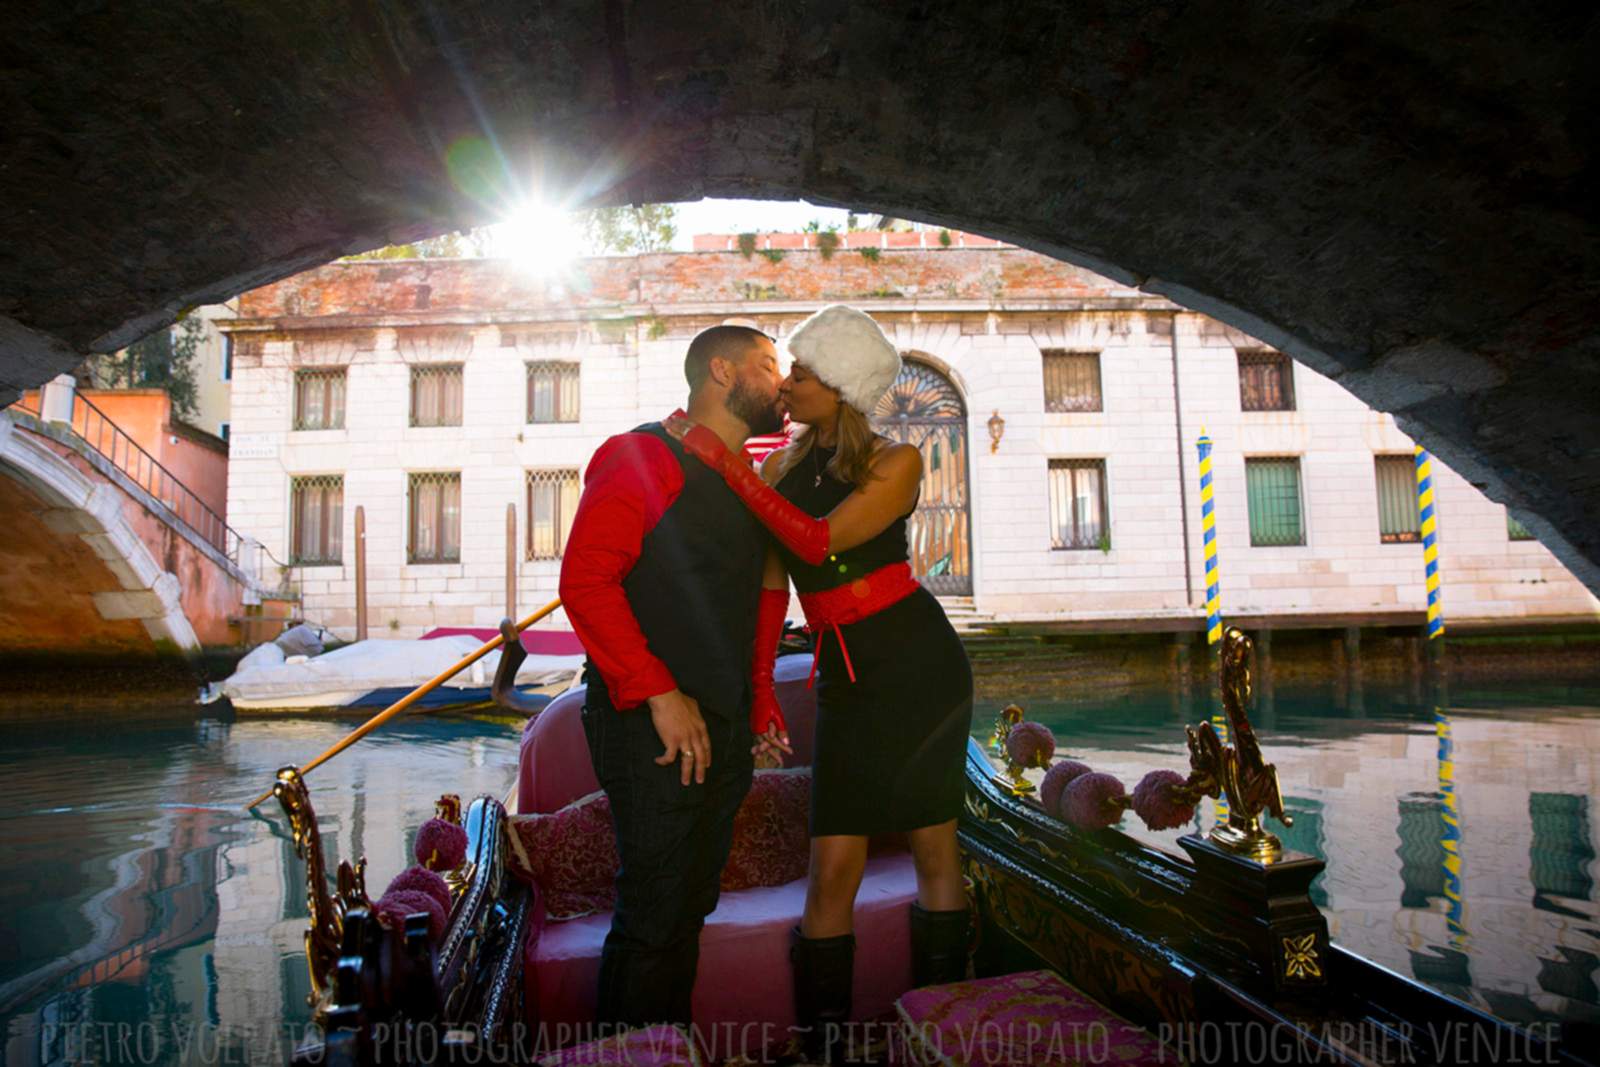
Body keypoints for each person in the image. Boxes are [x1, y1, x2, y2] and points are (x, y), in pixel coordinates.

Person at [667, 305, 975, 1060]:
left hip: (918, 667)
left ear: (839, 385)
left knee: (936, 846)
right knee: (832, 861)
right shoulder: (779, 467)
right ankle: (825, 1048)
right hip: (843, 669)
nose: (788, 383)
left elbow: (817, 538)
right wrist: (764, 686)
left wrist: (721, 460)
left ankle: (944, 1032)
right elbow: (776, 580)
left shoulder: (897, 463)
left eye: (802, 372)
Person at [557, 321, 787, 1030]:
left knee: (689, 904)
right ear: (722, 371)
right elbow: (586, 580)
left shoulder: (746, 479)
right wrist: (659, 691)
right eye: (768, 364)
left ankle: (665, 1047)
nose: (782, 380)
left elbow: (761, 601)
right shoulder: (641, 455)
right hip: (648, 719)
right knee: (655, 909)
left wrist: (760, 704)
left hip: (721, 716)